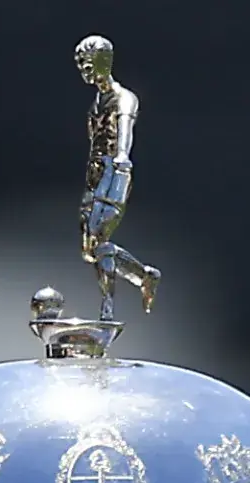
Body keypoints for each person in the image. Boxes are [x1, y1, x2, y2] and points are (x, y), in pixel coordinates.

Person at [75, 36, 161, 317]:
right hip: (95, 174)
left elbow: (125, 128)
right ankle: (144, 275)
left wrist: (122, 156)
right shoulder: (96, 103)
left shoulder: (124, 98)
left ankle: (108, 309)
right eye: (81, 65)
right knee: (90, 249)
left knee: (99, 240)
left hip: (114, 171)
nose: (84, 71)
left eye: (88, 64)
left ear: (103, 62)